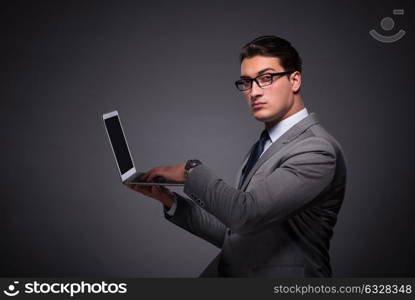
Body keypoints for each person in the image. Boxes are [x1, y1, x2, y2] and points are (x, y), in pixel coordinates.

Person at [128, 36, 347, 277]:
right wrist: (170, 201)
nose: (254, 92)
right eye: (246, 82)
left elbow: (244, 215)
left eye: (266, 78)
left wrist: (189, 170)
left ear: (294, 80)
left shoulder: (316, 149)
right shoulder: (263, 146)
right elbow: (236, 234)